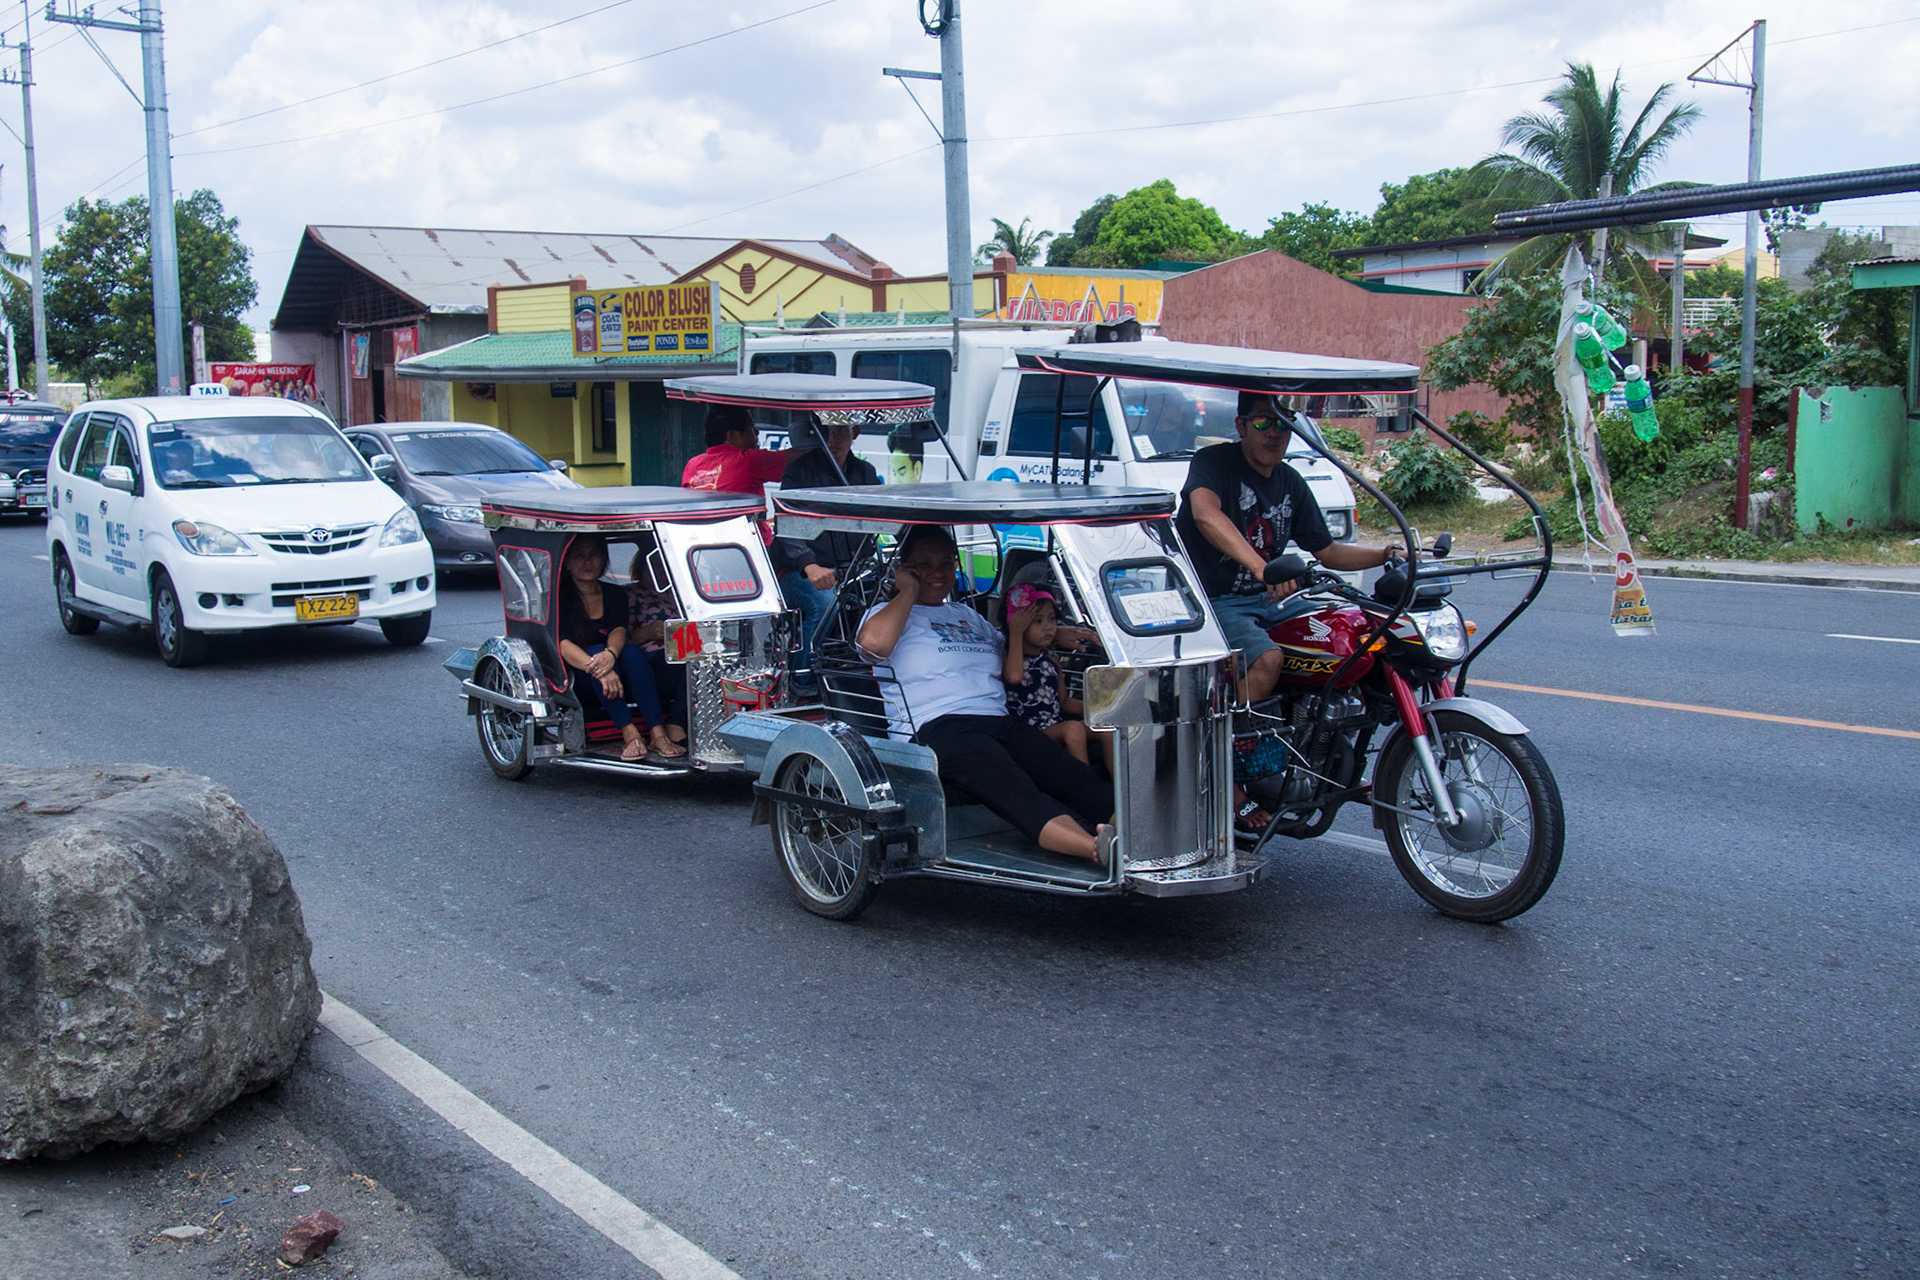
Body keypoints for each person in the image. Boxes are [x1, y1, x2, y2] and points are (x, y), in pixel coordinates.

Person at [857, 525, 1113, 865]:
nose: (937, 574)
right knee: (1012, 785)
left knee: (1069, 774)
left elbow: (1011, 644)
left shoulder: (965, 615)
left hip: (998, 720)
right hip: (940, 726)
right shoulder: (882, 615)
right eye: (924, 564)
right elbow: (874, 645)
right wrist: (907, 591)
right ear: (904, 567)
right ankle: (1099, 851)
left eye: (946, 564)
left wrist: (1058, 632)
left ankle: (1129, 831)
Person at [1176, 391, 1402, 706]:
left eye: (1284, 423)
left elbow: (1329, 552)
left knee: (1354, 633)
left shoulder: (1290, 481)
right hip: (1213, 601)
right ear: (1241, 426)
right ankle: (1237, 748)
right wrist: (1262, 569)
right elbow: (1206, 515)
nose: (1274, 432)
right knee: (1267, 660)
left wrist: (1386, 554)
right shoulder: (1214, 462)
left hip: (1275, 601)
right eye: (1262, 422)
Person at [771, 418, 881, 695]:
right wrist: (809, 565)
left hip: (850, 569)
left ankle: (871, 680)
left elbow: (876, 520)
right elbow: (788, 523)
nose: (833, 438)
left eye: (841, 430)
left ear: (855, 432)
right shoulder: (799, 470)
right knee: (823, 603)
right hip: (795, 571)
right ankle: (803, 684)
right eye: (827, 431)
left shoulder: (865, 472)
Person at [558, 535, 684, 761]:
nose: (588, 562)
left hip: (615, 667)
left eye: (594, 555)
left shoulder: (614, 594)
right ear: (567, 562)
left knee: (630, 651)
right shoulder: (560, 596)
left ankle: (657, 733)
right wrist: (599, 666)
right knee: (596, 648)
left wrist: (610, 655)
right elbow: (564, 644)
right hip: (579, 674)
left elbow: (618, 631)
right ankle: (629, 732)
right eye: (580, 556)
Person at [1000, 584, 1095, 766]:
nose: (1048, 628)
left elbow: (1064, 702)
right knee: (1073, 730)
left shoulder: (1052, 659)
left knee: (1106, 728)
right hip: (1028, 733)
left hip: (1055, 726)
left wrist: (1099, 709)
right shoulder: (1009, 658)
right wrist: (1016, 635)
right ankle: (1087, 785)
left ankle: (1123, 789)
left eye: (1052, 619)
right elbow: (1014, 677)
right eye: (1038, 621)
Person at [624, 540, 689, 746]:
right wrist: (646, 633)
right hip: (649, 659)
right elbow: (617, 639)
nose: (660, 573)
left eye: (665, 567)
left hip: (684, 652)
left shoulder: (682, 595)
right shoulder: (627, 594)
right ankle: (675, 724)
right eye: (655, 567)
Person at [680, 403, 792, 497]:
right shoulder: (747, 460)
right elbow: (800, 459)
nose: (756, 433)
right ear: (731, 435)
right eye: (750, 428)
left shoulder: (692, 464)